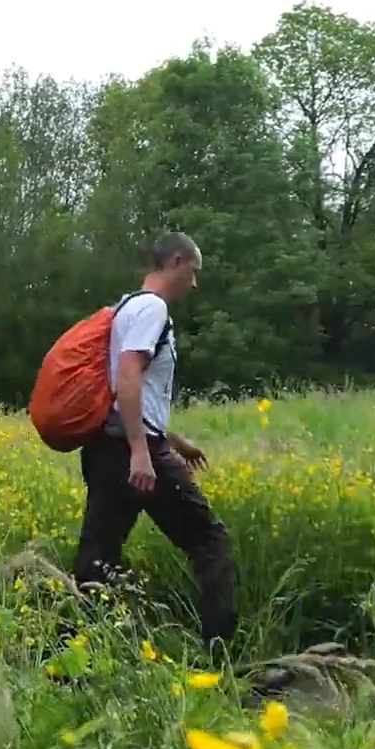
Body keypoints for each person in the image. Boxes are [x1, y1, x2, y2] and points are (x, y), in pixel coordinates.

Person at [70, 232, 237, 645]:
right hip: (132, 450)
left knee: (97, 560)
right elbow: (127, 376)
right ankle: (221, 653)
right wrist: (142, 452)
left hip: (106, 448)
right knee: (210, 540)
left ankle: (68, 658)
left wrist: (174, 439)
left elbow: (129, 388)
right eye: (193, 272)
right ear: (176, 262)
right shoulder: (152, 309)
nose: (194, 283)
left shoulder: (126, 308)